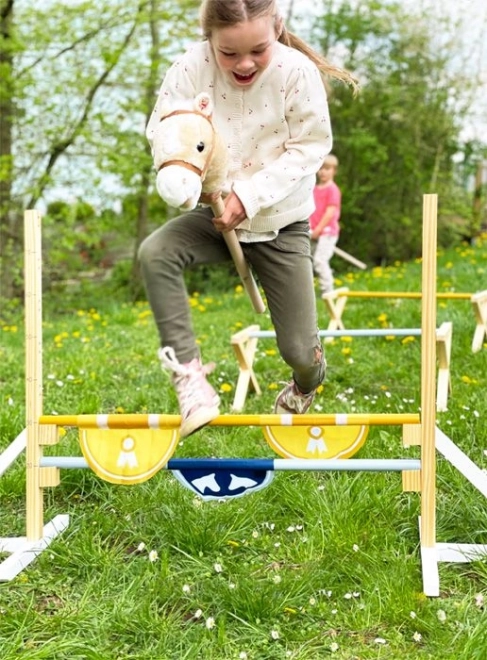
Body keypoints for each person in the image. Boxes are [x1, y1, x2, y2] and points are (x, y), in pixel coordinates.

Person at [139, 0, 357, 438]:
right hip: (217, 216)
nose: (244, 63)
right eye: (228, 52)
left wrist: (249, 195)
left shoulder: (296, 73)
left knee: (297, 349)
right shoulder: (188, 69)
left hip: (281, 221)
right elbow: (165, 132)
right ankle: (190, 380)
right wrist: (190, 179)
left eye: (258, 49)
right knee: (155, 252)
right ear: (209, 40)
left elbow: (310, 147)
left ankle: (305, 382)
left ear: (278, 26)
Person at [309, 154, 341, 296]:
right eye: (320, 168)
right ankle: (308, 293)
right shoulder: (314, 190)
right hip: (312, 232)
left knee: (320, 261)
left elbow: (329, 213)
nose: (323, 171)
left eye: (327, 168)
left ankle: (328, 292)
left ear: (334, 171)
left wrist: (318, 229)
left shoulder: (333, 190)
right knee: (307, 262)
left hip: (327, 232)